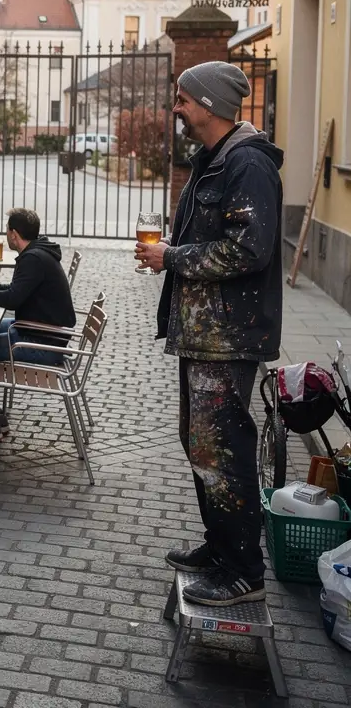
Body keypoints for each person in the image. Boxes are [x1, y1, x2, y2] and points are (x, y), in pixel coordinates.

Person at [136, 61, 282, 608]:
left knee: (223, 450)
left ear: (211, 105)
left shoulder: (247, 165)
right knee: (200, 445)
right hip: (205, 333)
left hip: (228, 334)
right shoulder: (216, 161)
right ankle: (221, 549)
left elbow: (250, 248)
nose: (176, 107)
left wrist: (171, 256)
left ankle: (243, 571)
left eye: (183, 98)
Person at [0, 209, 76, 444]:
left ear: (13, 233)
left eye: (7, 230)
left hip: (43, 341)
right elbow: (17, 291)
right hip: (40, 330)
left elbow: (12, 300)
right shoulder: (38, 252)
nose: (6, 234)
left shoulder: (33, 259)